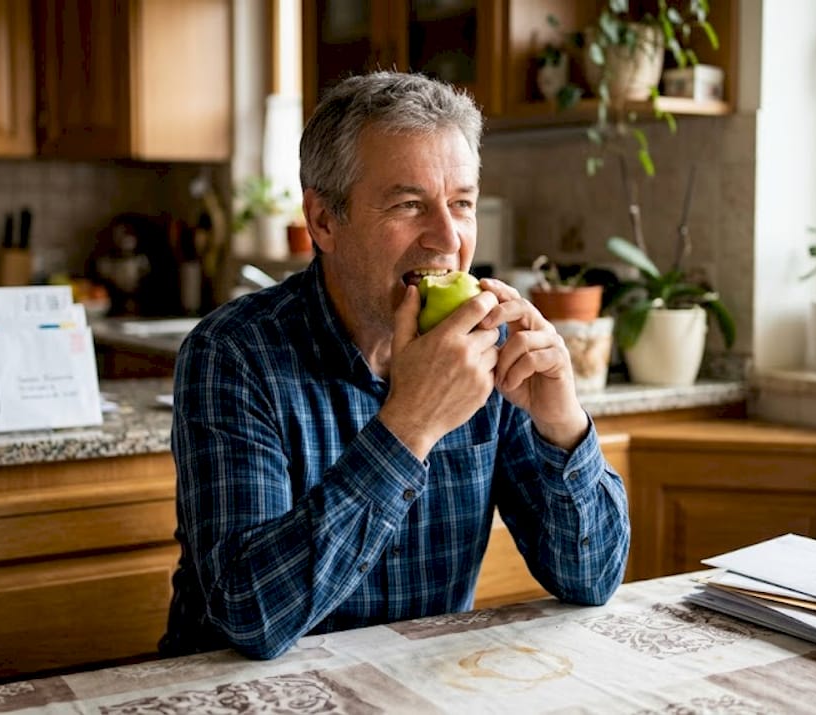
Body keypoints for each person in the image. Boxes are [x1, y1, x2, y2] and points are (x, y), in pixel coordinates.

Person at [158, 71, 629, 660]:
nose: (447, 238)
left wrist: (562, 426)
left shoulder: (489, 345)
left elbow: (592, 580)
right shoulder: (232, 355)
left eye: (462, 203)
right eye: (409, 205)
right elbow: (249, 618)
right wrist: (410, 426)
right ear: (324, 220)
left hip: (417, 685)